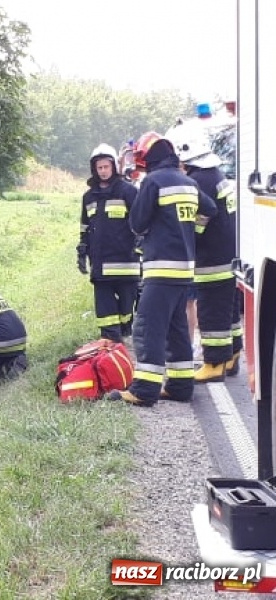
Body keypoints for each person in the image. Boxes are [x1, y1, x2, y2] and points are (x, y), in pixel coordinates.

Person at [106, 132, 217, 407]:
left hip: (161, 269)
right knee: (177, 330)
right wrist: (193, 230)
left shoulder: (154, 181)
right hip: (185, 271)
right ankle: (180, 386)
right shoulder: (188, 182)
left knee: (147, 328)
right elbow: (210, 208)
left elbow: (137, 223)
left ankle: (144, 390)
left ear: (150, 159)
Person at [167, 120, 240, 382]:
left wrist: (184, 242)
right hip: (228, 255)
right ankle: (231, 356)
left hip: (212, 259)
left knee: (211, 312)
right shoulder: (216, 175)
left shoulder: (199, 181)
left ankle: (214, 363)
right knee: (228, 311)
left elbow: (198, 224)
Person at [77, 143, 140, 342]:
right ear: (94, 169)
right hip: (101, 266)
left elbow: (141, 223)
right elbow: (84, 227)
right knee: (105, 316)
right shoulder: (89, 197)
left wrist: (141, 248)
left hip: (126, 264)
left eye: (106, 167)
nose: (103, 171)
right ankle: (111, 347)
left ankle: (123, 332)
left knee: (125, 313)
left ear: (114, 166)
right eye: (99, 168)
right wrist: (82, 251)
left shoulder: (128, 192)